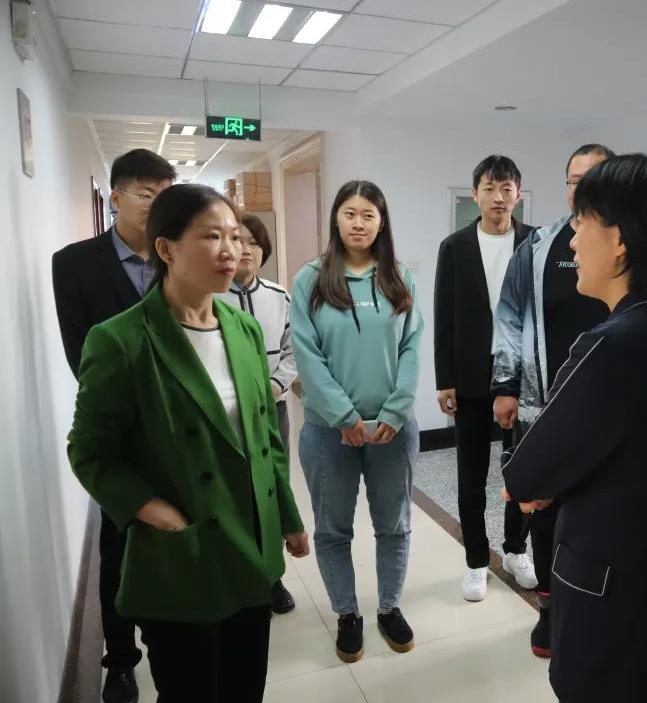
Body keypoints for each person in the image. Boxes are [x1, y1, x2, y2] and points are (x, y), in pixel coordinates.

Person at [67, 183, 309, 703]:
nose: (231, 251)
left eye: (235, 237)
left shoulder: (243, 329)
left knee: (245, 686)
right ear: (166, 248)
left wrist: (287, 516)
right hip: (183, 555)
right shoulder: (121, 340)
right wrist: (153, 511)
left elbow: (264, 437)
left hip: (250, 545)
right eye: (211, 236)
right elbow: (88, 451)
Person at [501, 154, 647, 703]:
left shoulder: (611, 345)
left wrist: (543, 484)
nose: (573, 241)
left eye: (583, 223)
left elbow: (524, 476)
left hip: (615, 600)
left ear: (619, 241)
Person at [52, 148, 175, 703]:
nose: (156, 204)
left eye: (164, 194)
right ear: (116, 196)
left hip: (182, 430)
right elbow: (81, 354)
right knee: (119, 546)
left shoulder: (179, 254)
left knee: (178, 540)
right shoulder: (74, 263)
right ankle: (121, 661)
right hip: (121, 435)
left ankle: (174, 645)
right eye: (146, 194)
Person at [291, 180, 423, 662]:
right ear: (336, 219)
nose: (359, 223)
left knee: (394, 525)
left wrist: (394, 410)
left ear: (381, 222)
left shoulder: (400, 278)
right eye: (350, 213)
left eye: (369, 215)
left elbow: (411, 348)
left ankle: (389, 607)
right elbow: (306, 354)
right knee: (332, 529)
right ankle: (347, 614)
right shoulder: (311, 279)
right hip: (329, 431)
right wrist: (343, 415)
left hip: (392, 429)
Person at [491, 143, 614, 657]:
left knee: (597, 512)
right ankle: (550, 610)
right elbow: (509, 315)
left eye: (593, 178)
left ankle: (593, 611)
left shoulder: (632, 244)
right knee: (543, 512)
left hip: (608, 409)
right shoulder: (538, 247)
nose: (581, 189)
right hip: (543, 404)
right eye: (573, 180)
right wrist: (505, 385)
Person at [434, 155, 537, 602]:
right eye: (490, 188)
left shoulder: (535, 242)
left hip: (524, 378)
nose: (499, 197)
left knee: (524, 469)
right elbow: (444, 315)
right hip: (471, 378)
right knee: (471, 473)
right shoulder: (455, 247)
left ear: (518, 194)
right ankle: (476, 559)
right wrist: (445, 379)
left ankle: (516, 549)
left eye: (507, 188)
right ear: (475, 193)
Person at [215, 212, 298, 615]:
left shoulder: (280, 296)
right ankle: (236, 574)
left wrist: (277, 386)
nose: (245, 249)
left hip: (272, 410)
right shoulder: (211, 297)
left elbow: (293, 350)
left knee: (271, 489)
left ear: (264, 251)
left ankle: (271, 576)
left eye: (254, 242)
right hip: (228, 414)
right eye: (238, 240)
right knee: (233, 491)